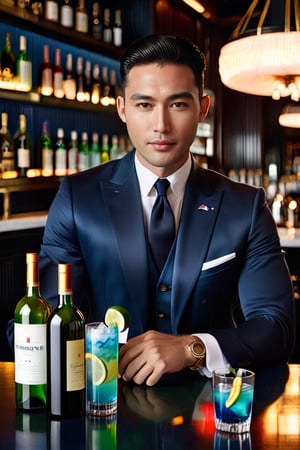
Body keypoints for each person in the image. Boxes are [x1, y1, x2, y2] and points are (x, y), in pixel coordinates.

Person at [39, 33, 295, 386]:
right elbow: (46, 322)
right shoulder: (76, 198)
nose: (161, 125)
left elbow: (277, 328)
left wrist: (194, 348)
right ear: (122, 108)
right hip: (105, 402)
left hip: (211, 411)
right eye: (144, 105)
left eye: (177, 104)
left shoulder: (245, 206)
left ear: (202, 108)